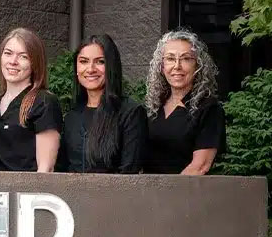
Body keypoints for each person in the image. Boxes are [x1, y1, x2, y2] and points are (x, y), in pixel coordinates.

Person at [59, 32, 147, 173]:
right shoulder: (71, 116)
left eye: (100, 61)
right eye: (83, 61)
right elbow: (61, 169)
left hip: (114, 194)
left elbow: (130, 174)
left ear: (112, 66)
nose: (91, 69)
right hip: (72, 194)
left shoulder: (131, 113)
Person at [144, 29, 224, 174]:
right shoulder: (154, 107)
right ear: (161, 66)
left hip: (185, 193)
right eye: (170, 58)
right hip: (148, 192)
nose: (177, 66)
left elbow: (200, 167)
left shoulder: (209, 109)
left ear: (198, 65)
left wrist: (168, 194)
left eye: (186, 59)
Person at [0, 27, 62, 172]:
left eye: (23, 56)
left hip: (28, 192)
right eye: (8, 53)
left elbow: (46, 168)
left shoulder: (44, 102)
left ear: (35, 64)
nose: (13, 61)